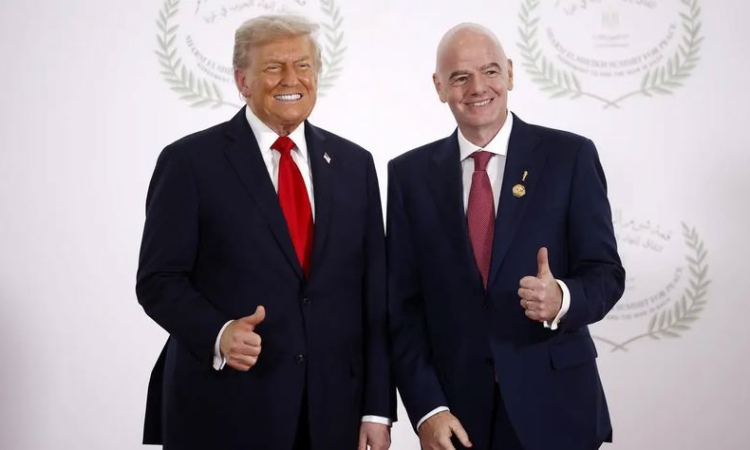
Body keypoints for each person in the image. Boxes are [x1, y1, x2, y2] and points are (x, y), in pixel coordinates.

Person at [136, 14, 393, 450]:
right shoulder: (189, 162)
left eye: (303, 65)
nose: (291, 79)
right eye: (273, 67)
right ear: (243, 80)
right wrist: (218, 332)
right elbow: (158, 280)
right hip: (225, 410)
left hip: (332, 413)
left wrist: (376, 408)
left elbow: (374, 293)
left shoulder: (355, 164)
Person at [386, 23, 625, 450]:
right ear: (439, 87)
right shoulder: (409, 175)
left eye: (490, 71)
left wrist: (562, 299)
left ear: (510, 73)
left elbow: (606, 273)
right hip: (457, 419)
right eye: (460, 77)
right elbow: (403, 309)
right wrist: (428, 410)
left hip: (557, 409)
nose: (478, 87)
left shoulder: (569, 156)